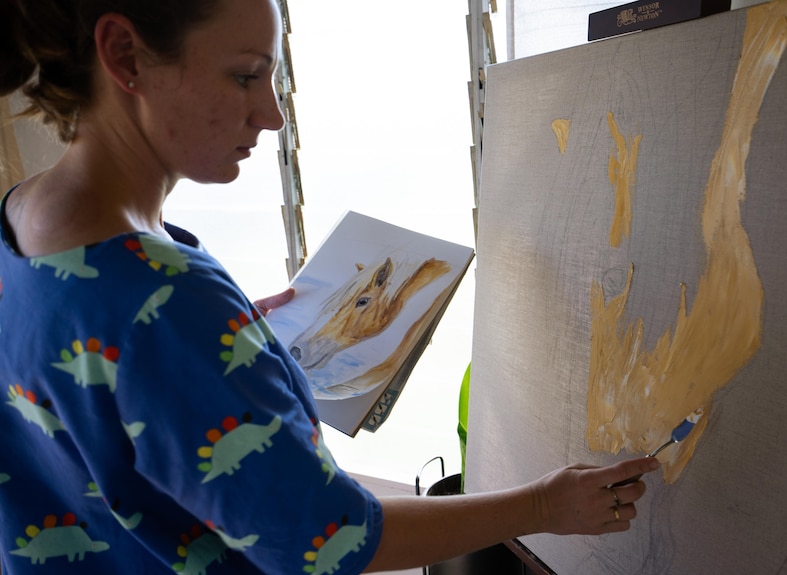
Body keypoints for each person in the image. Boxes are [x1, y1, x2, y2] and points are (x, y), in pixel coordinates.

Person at [0, 0, 660, 573]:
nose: (271, 115)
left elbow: (86, 395)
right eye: (245, 76)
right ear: (125, 56)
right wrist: (545, 503)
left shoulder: (22, 218)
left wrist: (229, 351)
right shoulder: (165, 303)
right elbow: (326, 542)